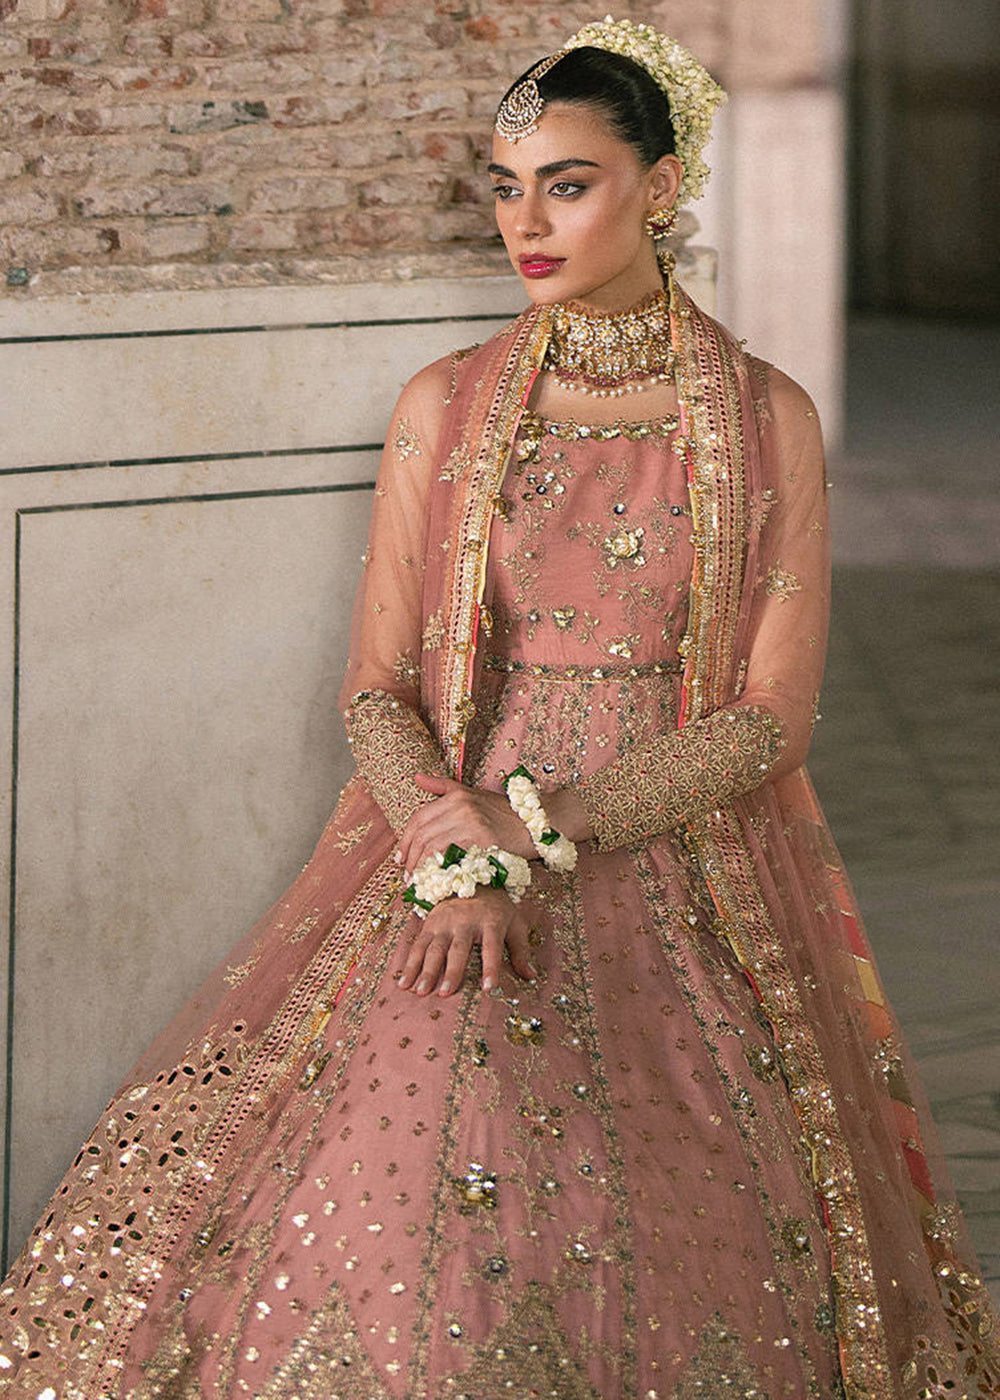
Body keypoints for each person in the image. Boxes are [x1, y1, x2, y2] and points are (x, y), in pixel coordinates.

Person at [1, 17, 996, 1400]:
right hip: (451, 841)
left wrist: (542, 827)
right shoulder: (449, 404)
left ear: (661, 185)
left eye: (566, 185)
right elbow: (377, 687)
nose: (524, 222)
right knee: (427, 1127)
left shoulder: (765, 418)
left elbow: (771, 719)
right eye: (506, 186)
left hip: (675, 843)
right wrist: (454, 848)